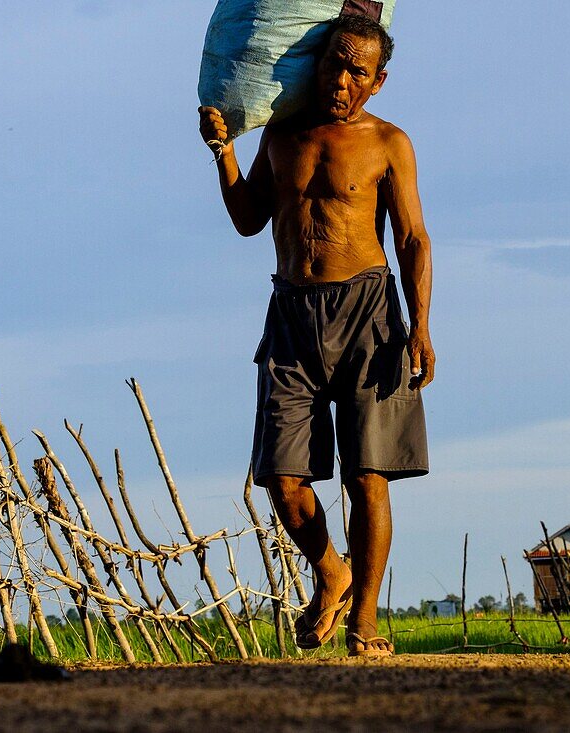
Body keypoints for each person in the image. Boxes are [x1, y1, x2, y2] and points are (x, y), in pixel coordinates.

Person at [198, 14, 433, 658]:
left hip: (368, 312)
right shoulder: (281, 134)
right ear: (317, 61)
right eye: (335, 63)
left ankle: (364, 623)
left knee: (367, 474)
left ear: (377, 82)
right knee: (281, 476)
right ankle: (330, 568)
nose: (343, 78)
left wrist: (421, 327)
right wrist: (222, 152)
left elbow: (412, 238)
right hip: (291, 313)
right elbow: (249, 220)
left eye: (359, 70)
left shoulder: (389, 142)